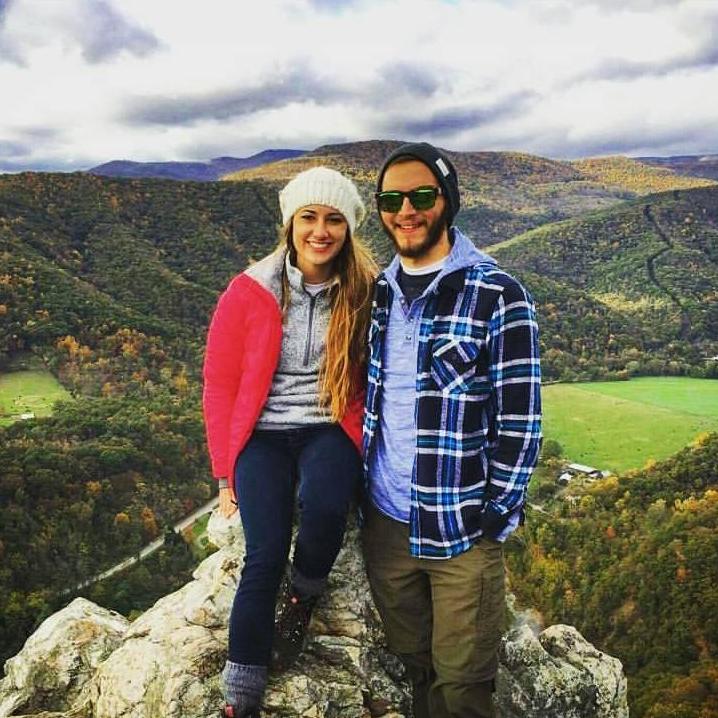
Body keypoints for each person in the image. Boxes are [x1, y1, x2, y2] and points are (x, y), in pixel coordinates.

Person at [361, 142, 542, 718]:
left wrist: (496, 512)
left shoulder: (498, 294)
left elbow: (521, 415)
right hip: (387, 522)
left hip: (463, 525)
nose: (405, 210)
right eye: (391, 198)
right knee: (414, 664)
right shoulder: (378, 294)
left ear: (448, 201)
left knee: (463, 686)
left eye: (420, 196)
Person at [202, 166, 377, 717]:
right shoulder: (249, 291)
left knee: (325, 504)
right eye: (309, 217)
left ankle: (304, 596)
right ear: (290, 223)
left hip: (328, 424)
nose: (320, 231)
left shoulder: (367, 291)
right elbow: (220, 382)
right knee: (265, 552)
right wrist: (225, 471)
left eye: (333, 220)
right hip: (264, 436)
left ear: (348, 228)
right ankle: (242, 693)